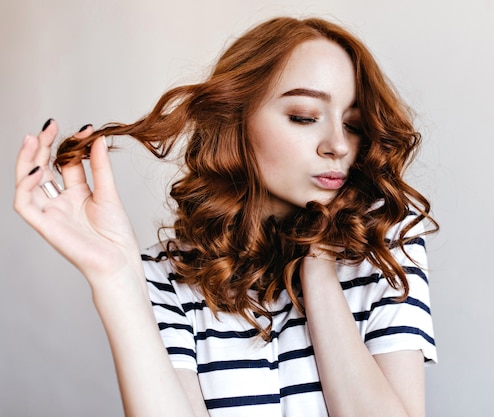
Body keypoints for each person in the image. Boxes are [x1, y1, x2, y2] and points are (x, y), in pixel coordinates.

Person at [14, 16, 437, 417]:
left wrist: (319, 273)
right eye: (304, 117)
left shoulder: (388, 249)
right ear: (236, 118)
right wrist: (115, 276)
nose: (337, 146)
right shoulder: (167, 278)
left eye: (354, 124)